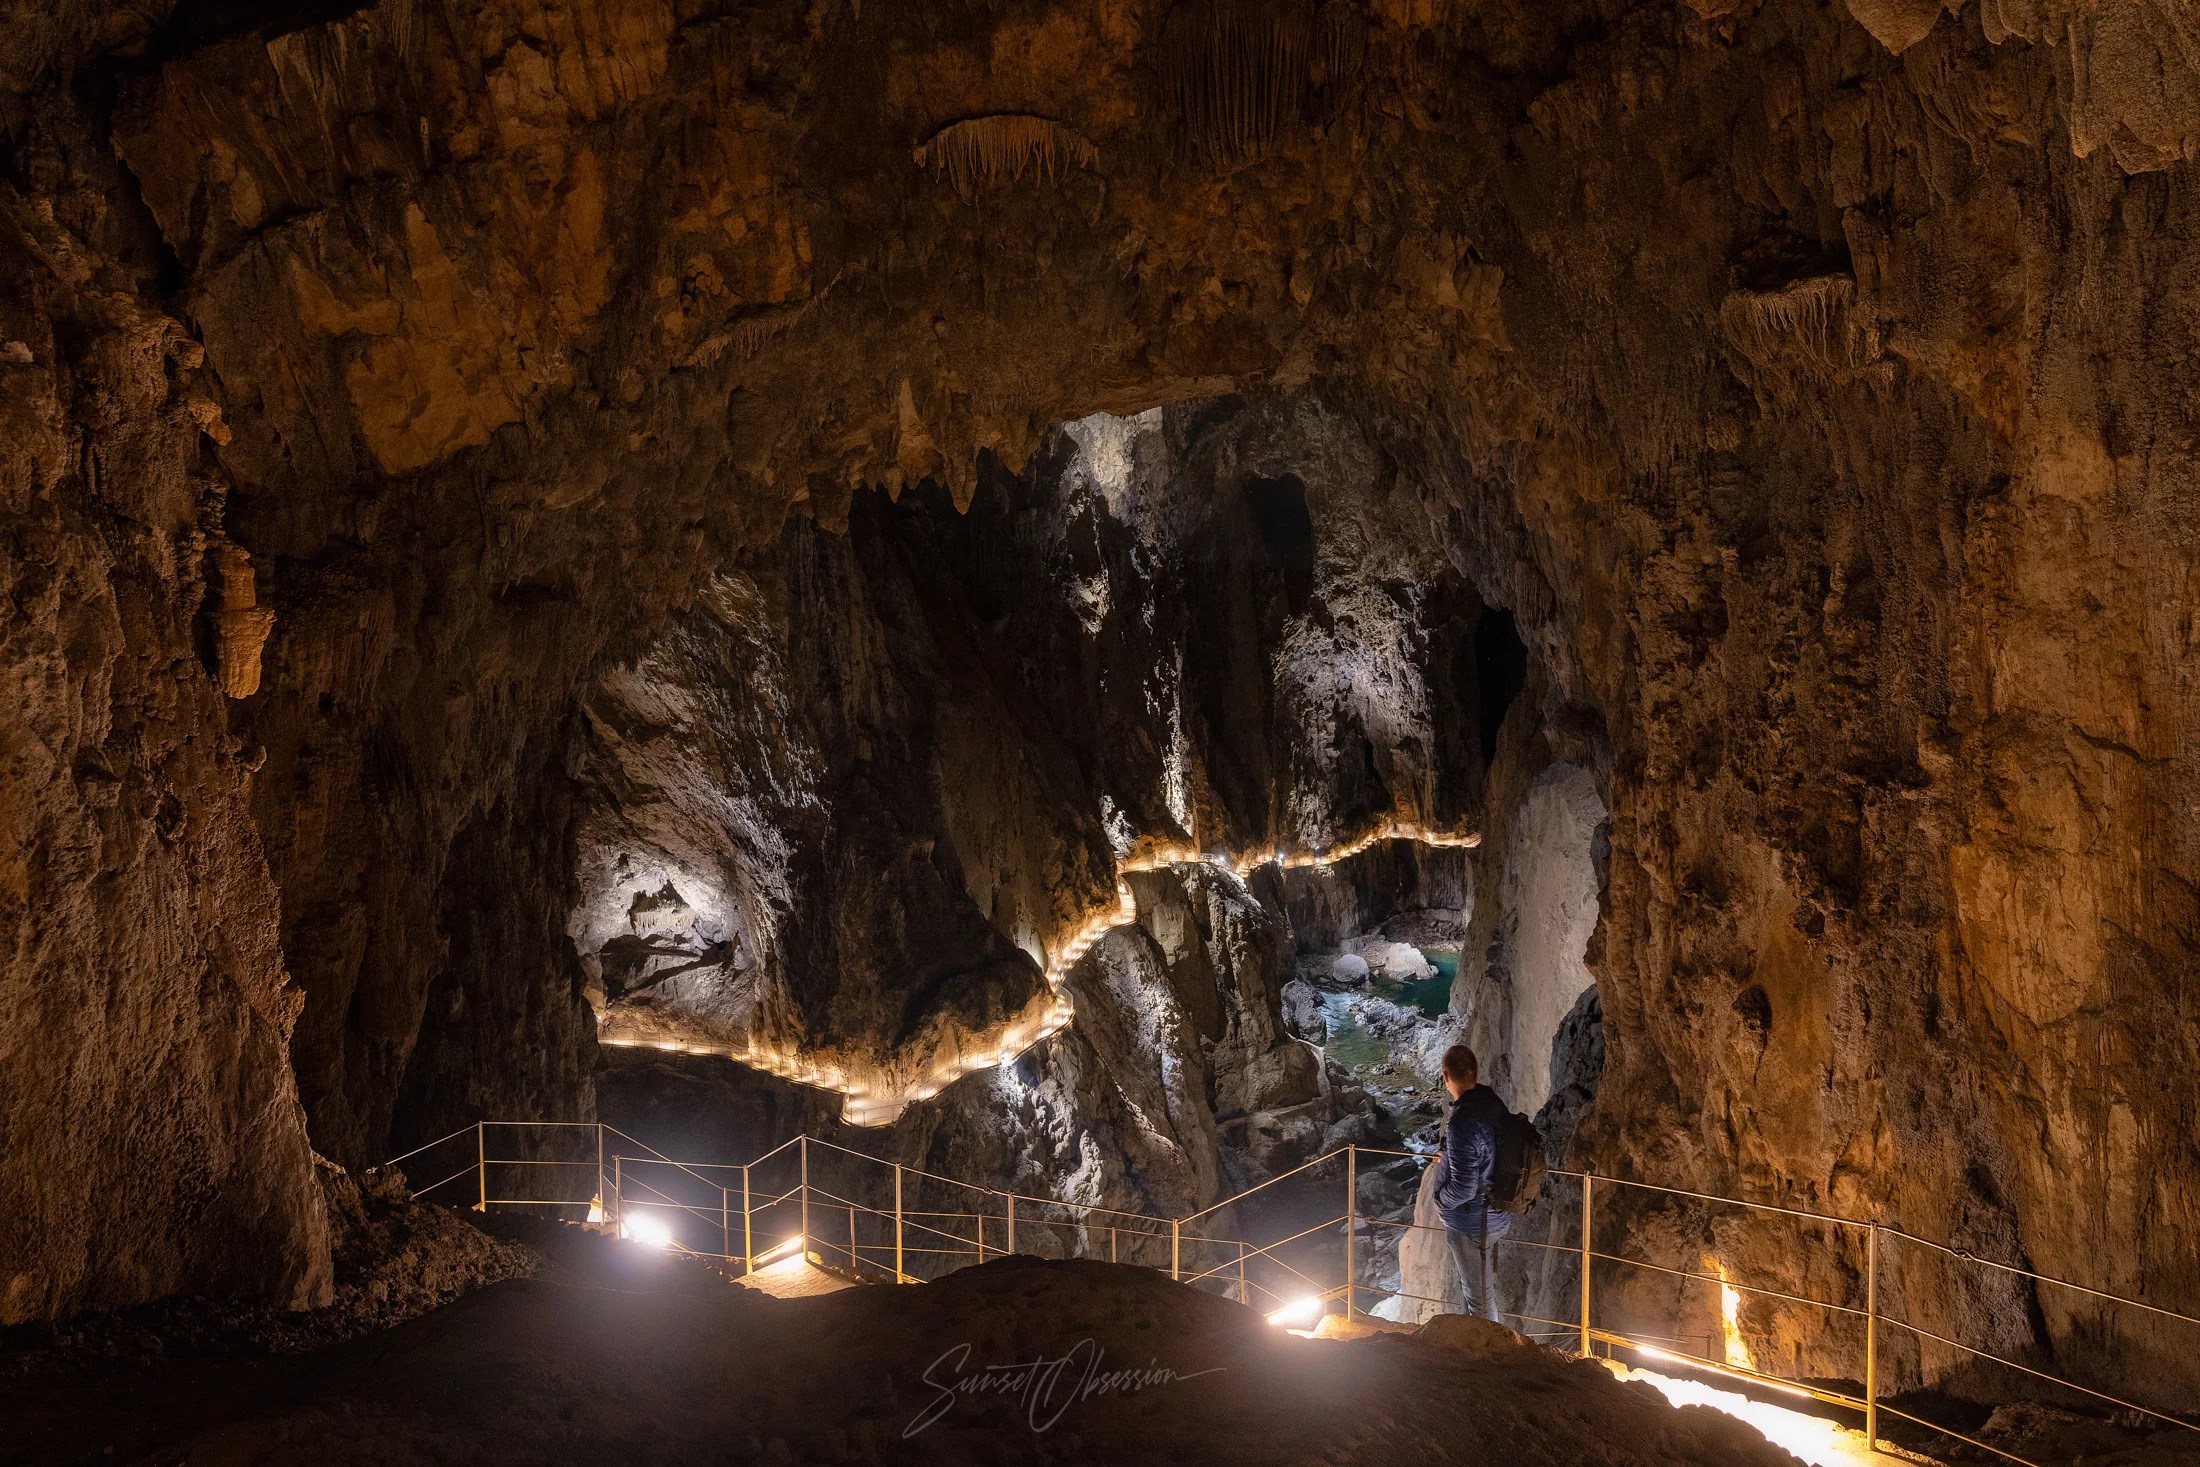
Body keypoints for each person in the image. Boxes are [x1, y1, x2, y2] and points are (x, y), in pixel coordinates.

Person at [1429, 1044, 1509, 1322]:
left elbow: (1464, 1186)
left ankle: (1491, 1356)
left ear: (1445, 1075)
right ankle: (1468, 1351)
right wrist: (1450, 1155)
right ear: (1474, 1072)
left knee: (1479, 1299)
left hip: (1472, 1223)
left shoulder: (1463, 1120)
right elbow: (1486, 1153)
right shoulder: (1491, 1102)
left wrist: (1439, 1200)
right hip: (1494, 1213)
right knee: (1473, 1291)